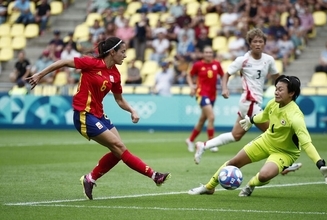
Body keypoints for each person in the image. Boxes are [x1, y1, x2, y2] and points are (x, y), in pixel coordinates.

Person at [26, 37, 171, 200]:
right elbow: (64, 62)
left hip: (99, 115)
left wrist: (132, 110)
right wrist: (39, 74)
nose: (125, 56)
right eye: (122, 52)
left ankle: (90, 179)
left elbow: (119, 99)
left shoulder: (115, 74)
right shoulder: (91, 64)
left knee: (118, 152)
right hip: (83, 115)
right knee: (119, 147)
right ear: (112, 52)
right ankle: (154, 175)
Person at [188, 75, 327, 196]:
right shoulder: (273, 103)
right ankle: (209, 187)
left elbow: (306, 144)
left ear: (291, 93)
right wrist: (251, 120)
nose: (276, 92)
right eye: (276, 88)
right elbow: (264, 115)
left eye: (280, 90)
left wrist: (320, 164)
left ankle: (251, 184)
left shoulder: (295, 117)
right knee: (234, 162)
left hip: (285, 153)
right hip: (266, 141)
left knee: (264, 176)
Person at [192, 28, 302, 175]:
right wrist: (225, 88)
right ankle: (283, 164)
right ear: (250, 44)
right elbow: (226, 74)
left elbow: (278, 78)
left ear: (264, 43)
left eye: (260, 41)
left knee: (235, 135)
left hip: (253, 103)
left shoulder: (268, 60)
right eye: (255, 41)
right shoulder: (242, 60)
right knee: (273, 132)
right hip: (250, 102)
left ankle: (203, 145)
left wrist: (285, 91)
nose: (258, 44)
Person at [185, 46, 224, 153]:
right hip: (201, 94)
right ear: (203, 54)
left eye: (210, 52)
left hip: (212, 95)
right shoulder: (198, 65)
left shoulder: (217, 64)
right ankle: (211, 143)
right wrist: (191, 87)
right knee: (211, 117)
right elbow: (189, 75)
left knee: (203, 120)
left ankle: (190, 140)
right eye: (206, 52)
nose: (208, 54)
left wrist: (224, 87)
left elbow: (223, 76)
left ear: (212, 54)